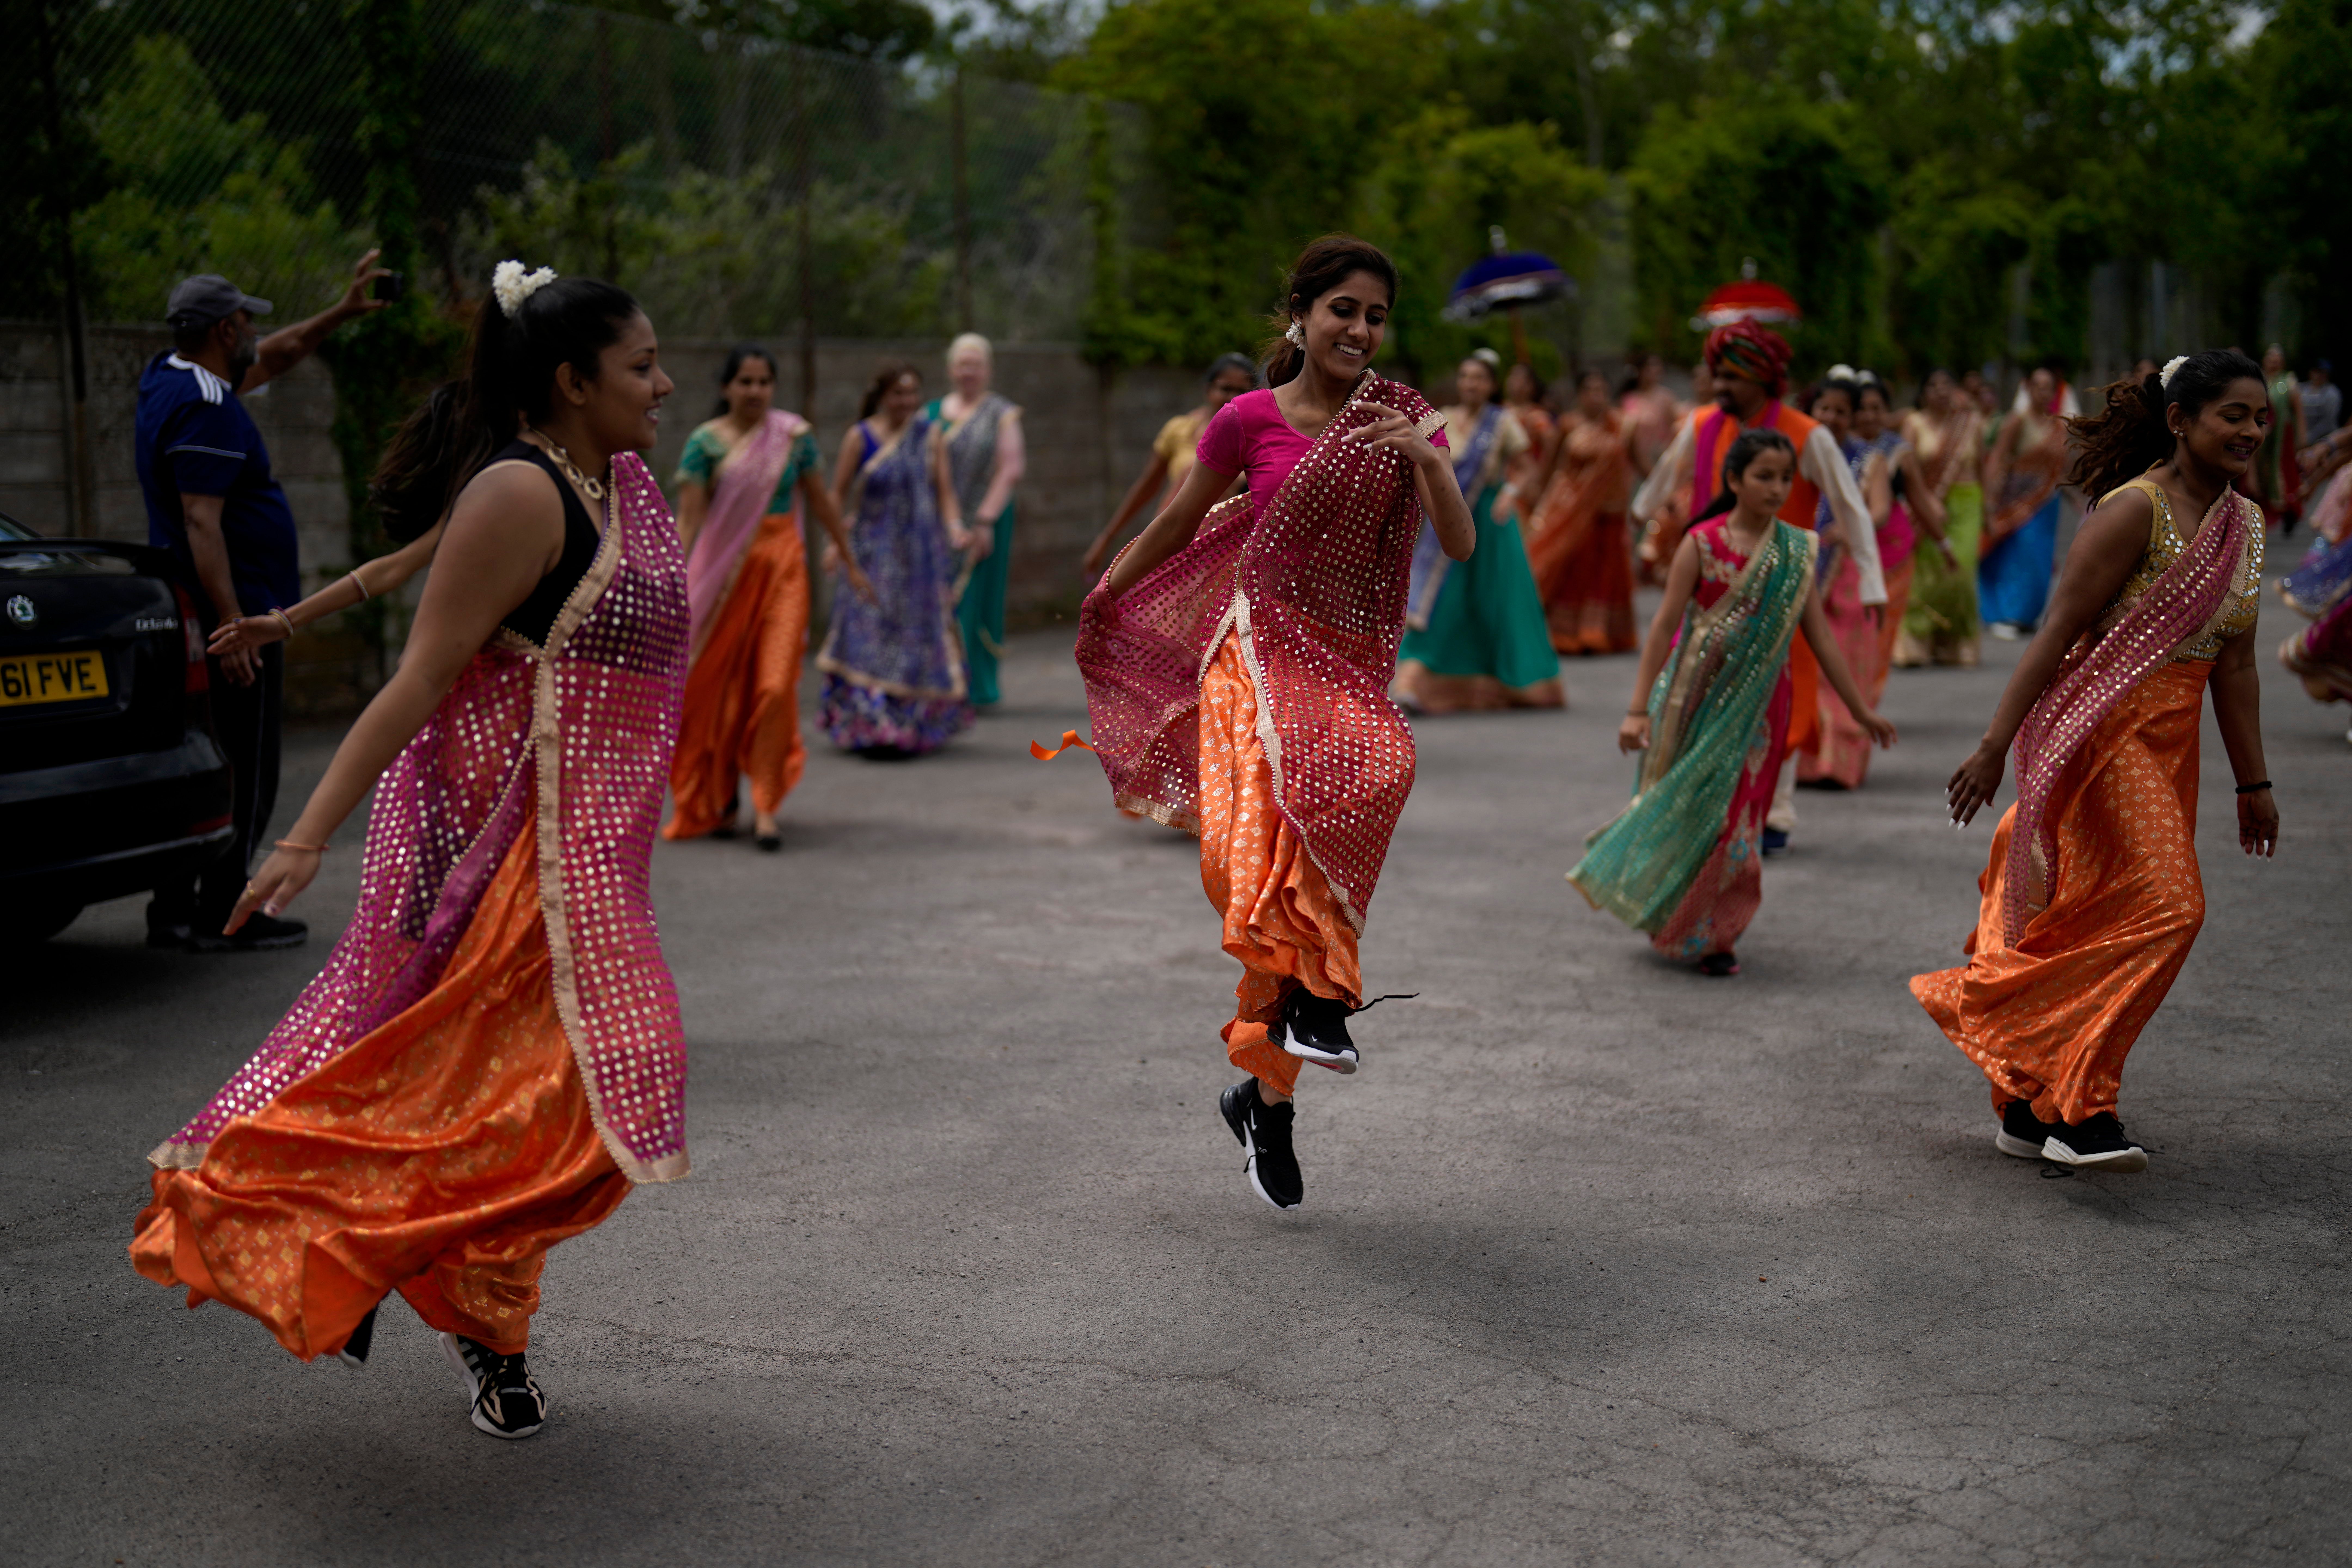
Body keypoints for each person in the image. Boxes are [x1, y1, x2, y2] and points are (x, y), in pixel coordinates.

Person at [131, 263, 690, 1440]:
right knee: (497, 1117)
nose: (665, 382)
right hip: (509, 868)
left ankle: (407, 1264)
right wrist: (304, 835)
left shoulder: (625, 486)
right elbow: (420, 679)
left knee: (574, 1124)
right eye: (641, 364)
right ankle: (464, 1319)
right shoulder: (518, 494)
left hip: (593, 871)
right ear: (570, 379)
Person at [1061, 235, 1472, 1210]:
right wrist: (1108, 592)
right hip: (1254, 657)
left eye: (1377, 316)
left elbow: (1457, 540)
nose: (1361, 330)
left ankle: (1270, 1083)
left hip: (1343, 662)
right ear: (1303, 313)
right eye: (1344, 310)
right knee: (1250, 869)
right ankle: (1307, 1024)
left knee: (1381, 768)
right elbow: (1174, 521)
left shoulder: (1403, 421)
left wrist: (1429, 462)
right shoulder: (1245, 419)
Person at [1916, 349, 2273, 1173]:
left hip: (2170, 748)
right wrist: (1994, 745)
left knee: (2098, 917)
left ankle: (2024, 1097)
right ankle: (2082, 1108)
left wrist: (2253, 784)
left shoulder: (2244, 527)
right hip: (2103, 736)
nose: (2252, 431)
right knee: (2173, 909)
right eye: (2234, 415)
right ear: (2180, 420)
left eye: (2261, 418)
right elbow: (2056, 632)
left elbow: (2240, 667)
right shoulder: (2134, 510)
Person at [134, 252, 391, 951]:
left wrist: (339, 312)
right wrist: (236, 624)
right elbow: (201, 520)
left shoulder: (171, 376)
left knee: (219, 753)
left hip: (221, 611)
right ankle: (225, 909)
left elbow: (279, 354)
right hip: (239, 614)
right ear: (225, 330)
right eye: (246, 320)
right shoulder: (208, 405)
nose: (255, 333)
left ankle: (178, 909)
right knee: (247, 764)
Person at [1568, 428, 1895, 975]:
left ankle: (1716, 933)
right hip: (1691, 697)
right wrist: (1636, 709)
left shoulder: (1795, 551)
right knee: (1688, 805)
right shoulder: (1700, 543)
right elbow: (1664, 628)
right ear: (1734, 480)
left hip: (1761, 707)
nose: (1777, 488)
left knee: (1737, 817)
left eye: (1785, 478)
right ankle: (1676, 915)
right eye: (1765, 476)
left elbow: (1819, 637)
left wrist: (1861, 712)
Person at [1630, 319, 1883, 852]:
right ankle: (1702, 812)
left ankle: (1776, 812)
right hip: (1710, 588)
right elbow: (1661, 482)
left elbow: (1852, 508)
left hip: (1782, 590)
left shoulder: (1805, 434)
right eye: (1718, 375)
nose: (1720, 387)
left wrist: (1871, 585)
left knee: (1780, 703)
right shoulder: (1701, 425)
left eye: (1733, 377)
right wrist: (1641, 521)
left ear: (1763, 381)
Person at [666, 346, 867, 848]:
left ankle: (765, 806)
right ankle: (720, 796)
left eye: (764, 382)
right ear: (726, 388)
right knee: (718, 693)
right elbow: (690, 519)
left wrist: (848, 559)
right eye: (746, 382)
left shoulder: (792, 438)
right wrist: (670, 577)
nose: (755, 392)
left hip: (784, 570)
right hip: (722, 577)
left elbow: (821, 501)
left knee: (775, 688)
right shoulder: (705, 444)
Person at [818, 361, 974, 756]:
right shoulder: (861, 437)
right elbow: (836, 495)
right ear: (882, 396)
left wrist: (956, 525)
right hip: (871, 555)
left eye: (912, 394)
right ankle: (869, 725)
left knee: (913, 639)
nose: (907, 401)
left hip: (918, 559)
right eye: (898, 394)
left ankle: (910, 725)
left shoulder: (930, 435)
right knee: (869, 633)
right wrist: (835, 544)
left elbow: (945, 492)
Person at [1393, 351, 1562, 711]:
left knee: (1496, 601)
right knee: (1442, 600)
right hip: (1448, 518)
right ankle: (1416, 682)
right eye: (1466, 376)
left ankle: (1509, 680)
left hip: (1490, 521)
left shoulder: (1504, 422)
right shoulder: (1443, 420)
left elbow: (1528, 469)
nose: (1471, 384)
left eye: (1480, 378)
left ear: (1491, 385)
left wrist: (1510, 494)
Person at [1803, 371, 1949, 788]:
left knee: (1845, 666)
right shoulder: (1799, 452)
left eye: (1841, 411)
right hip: (1806, 570)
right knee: (1807, 670)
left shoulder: (1871, 458)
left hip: (1846, 572)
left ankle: (1839, 764)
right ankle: (1809, 761)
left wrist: (1850, 529)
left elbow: (1881, 511)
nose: (1832, 417)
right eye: (1825, 408)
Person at [1083, 354, 1255, 579]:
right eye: (1225, 389)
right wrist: (1106, 538)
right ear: (1208, 390)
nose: (1232, 397)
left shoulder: (1255, 440)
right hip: (1176, 545)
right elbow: (1147, 486)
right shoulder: (1179, 431)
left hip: (1229, 554)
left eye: (1241, 391)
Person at [924, 335, 1025, 707]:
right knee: (934, 597)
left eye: (976, 364)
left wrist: (984, 520)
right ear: (951, 368)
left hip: (985, 517)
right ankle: (936, 681)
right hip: (936, 520)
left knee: (974, 599)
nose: (969, 371)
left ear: (989, 370)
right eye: (963, 364)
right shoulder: (931, 414)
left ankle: (973, 685)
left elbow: (1010, 469)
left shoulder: (1002, 413)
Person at [1524, 368, 1637, 654]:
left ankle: (1601, 633)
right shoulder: (1569, 425)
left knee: (1607, 574)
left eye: (1602, 391)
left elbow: (1640, 463)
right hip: (1572, 512)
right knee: (1573, 569)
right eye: (1590, 390)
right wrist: (1540, 499)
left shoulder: (1623, 427)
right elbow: (1555, 468)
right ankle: (1567, 633)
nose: (1596, 397)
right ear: (1581, 395)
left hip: (1610, 512)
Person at [1897, 367, 1988, 667]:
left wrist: (1988, 508)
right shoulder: (1914, 423)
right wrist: (1926, 501)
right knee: (1926, 574)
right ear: (1923, 393)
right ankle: (1915, 644)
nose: (1941, 390)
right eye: (1933, 385)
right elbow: (1908, 468)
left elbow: (1983, 468)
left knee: (1960, 573)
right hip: (1927, 503)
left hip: (1966, 502)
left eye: (1947, 384)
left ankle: (1956, 645)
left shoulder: (1970, 424)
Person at [1979, 365, 2070, 636]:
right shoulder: (2016, 421)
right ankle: (2008, 614)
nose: (2043, 393)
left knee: (2040, 561)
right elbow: (1998, 457)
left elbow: (2064, 468)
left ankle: (2027, 615)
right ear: (2028, 388)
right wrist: (1989, 499)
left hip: (2047, 504)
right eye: (2038, 386)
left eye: (2048, 388)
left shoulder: (2058, 426)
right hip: (2015, 501)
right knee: (2016, 556)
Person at [2244, 343, 2305, 531]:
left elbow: (2298, 412)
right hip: (2263, 431)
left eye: (2277, 359)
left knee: (2284, 470)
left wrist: (2302, 439)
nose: (2274, 362)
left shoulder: (2289, 381)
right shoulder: (2259, 380)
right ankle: (2261, 509)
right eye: (2271, 358)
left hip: (2283, 435)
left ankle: (2287, 511)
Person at [1502, 360, 1556, 505]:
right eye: (1511, 377)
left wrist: (1540, 478)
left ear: (1530, 387)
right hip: (1499, 480)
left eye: (1519, 379)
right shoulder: (1499, 411)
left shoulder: (1537, 417)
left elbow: (1552, 446)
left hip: (1526, 484)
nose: (1513, 382)